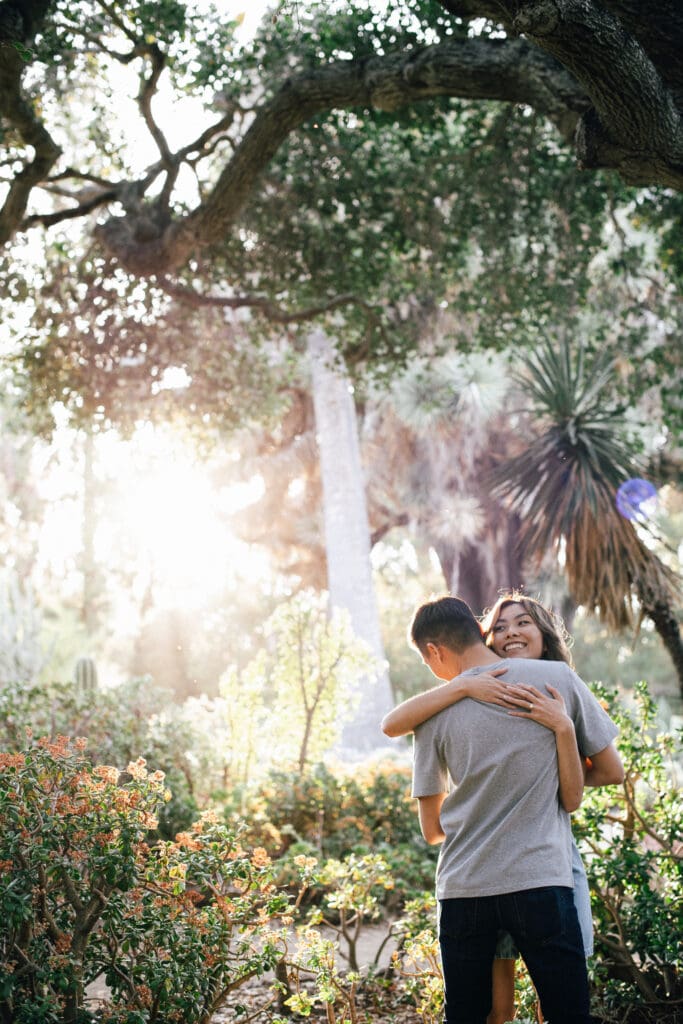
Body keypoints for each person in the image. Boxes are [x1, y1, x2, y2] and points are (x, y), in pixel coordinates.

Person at [382, 592, 624, 1024]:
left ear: (434, 651)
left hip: (464, 889)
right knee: (568, 1013)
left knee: (470, 1015)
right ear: (481, 630)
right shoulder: (557, 679)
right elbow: (606, 772)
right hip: (541, 879)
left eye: (426, 661)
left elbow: (433, 830)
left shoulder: (433, 713)